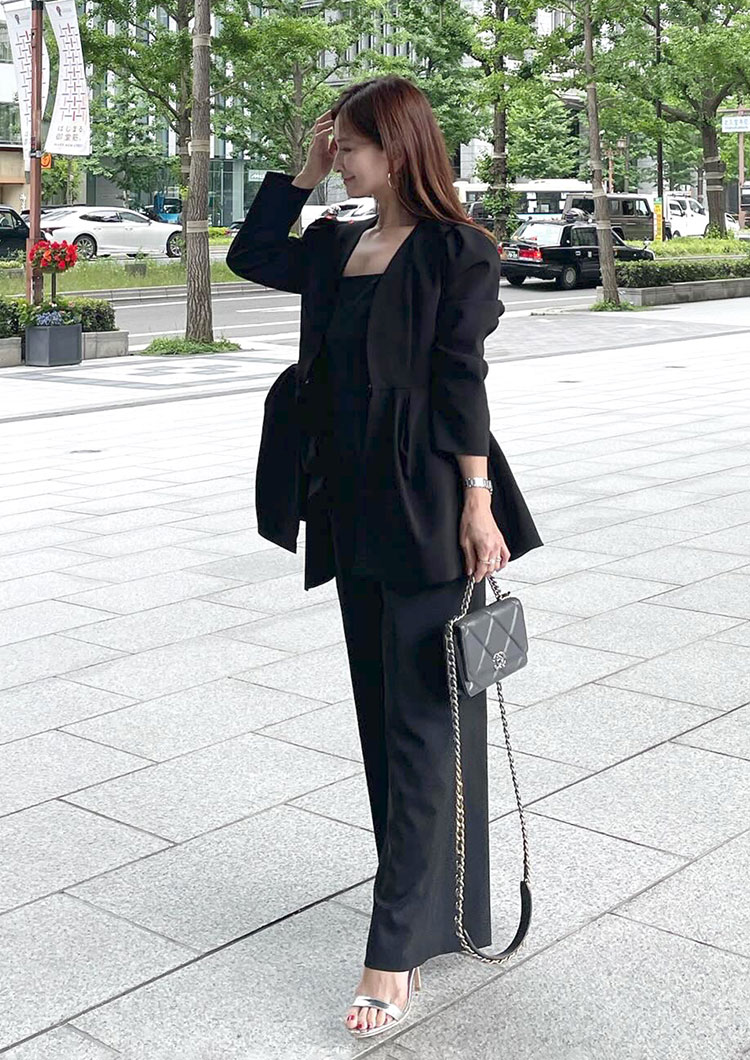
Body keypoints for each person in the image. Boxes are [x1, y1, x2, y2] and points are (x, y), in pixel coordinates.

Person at [227, 74, 543, 1041]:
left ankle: (392, 949)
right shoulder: (337, 243)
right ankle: (425, 901)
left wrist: (478, 502)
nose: (342, 163)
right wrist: (301, 172)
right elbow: (250, 255)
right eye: (336, 148)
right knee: (382, 717)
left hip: (426, 500)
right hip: (349, 498)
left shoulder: (457, 248)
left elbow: (461, 381)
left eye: (352, 148)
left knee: (417, 725)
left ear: (398, 149)